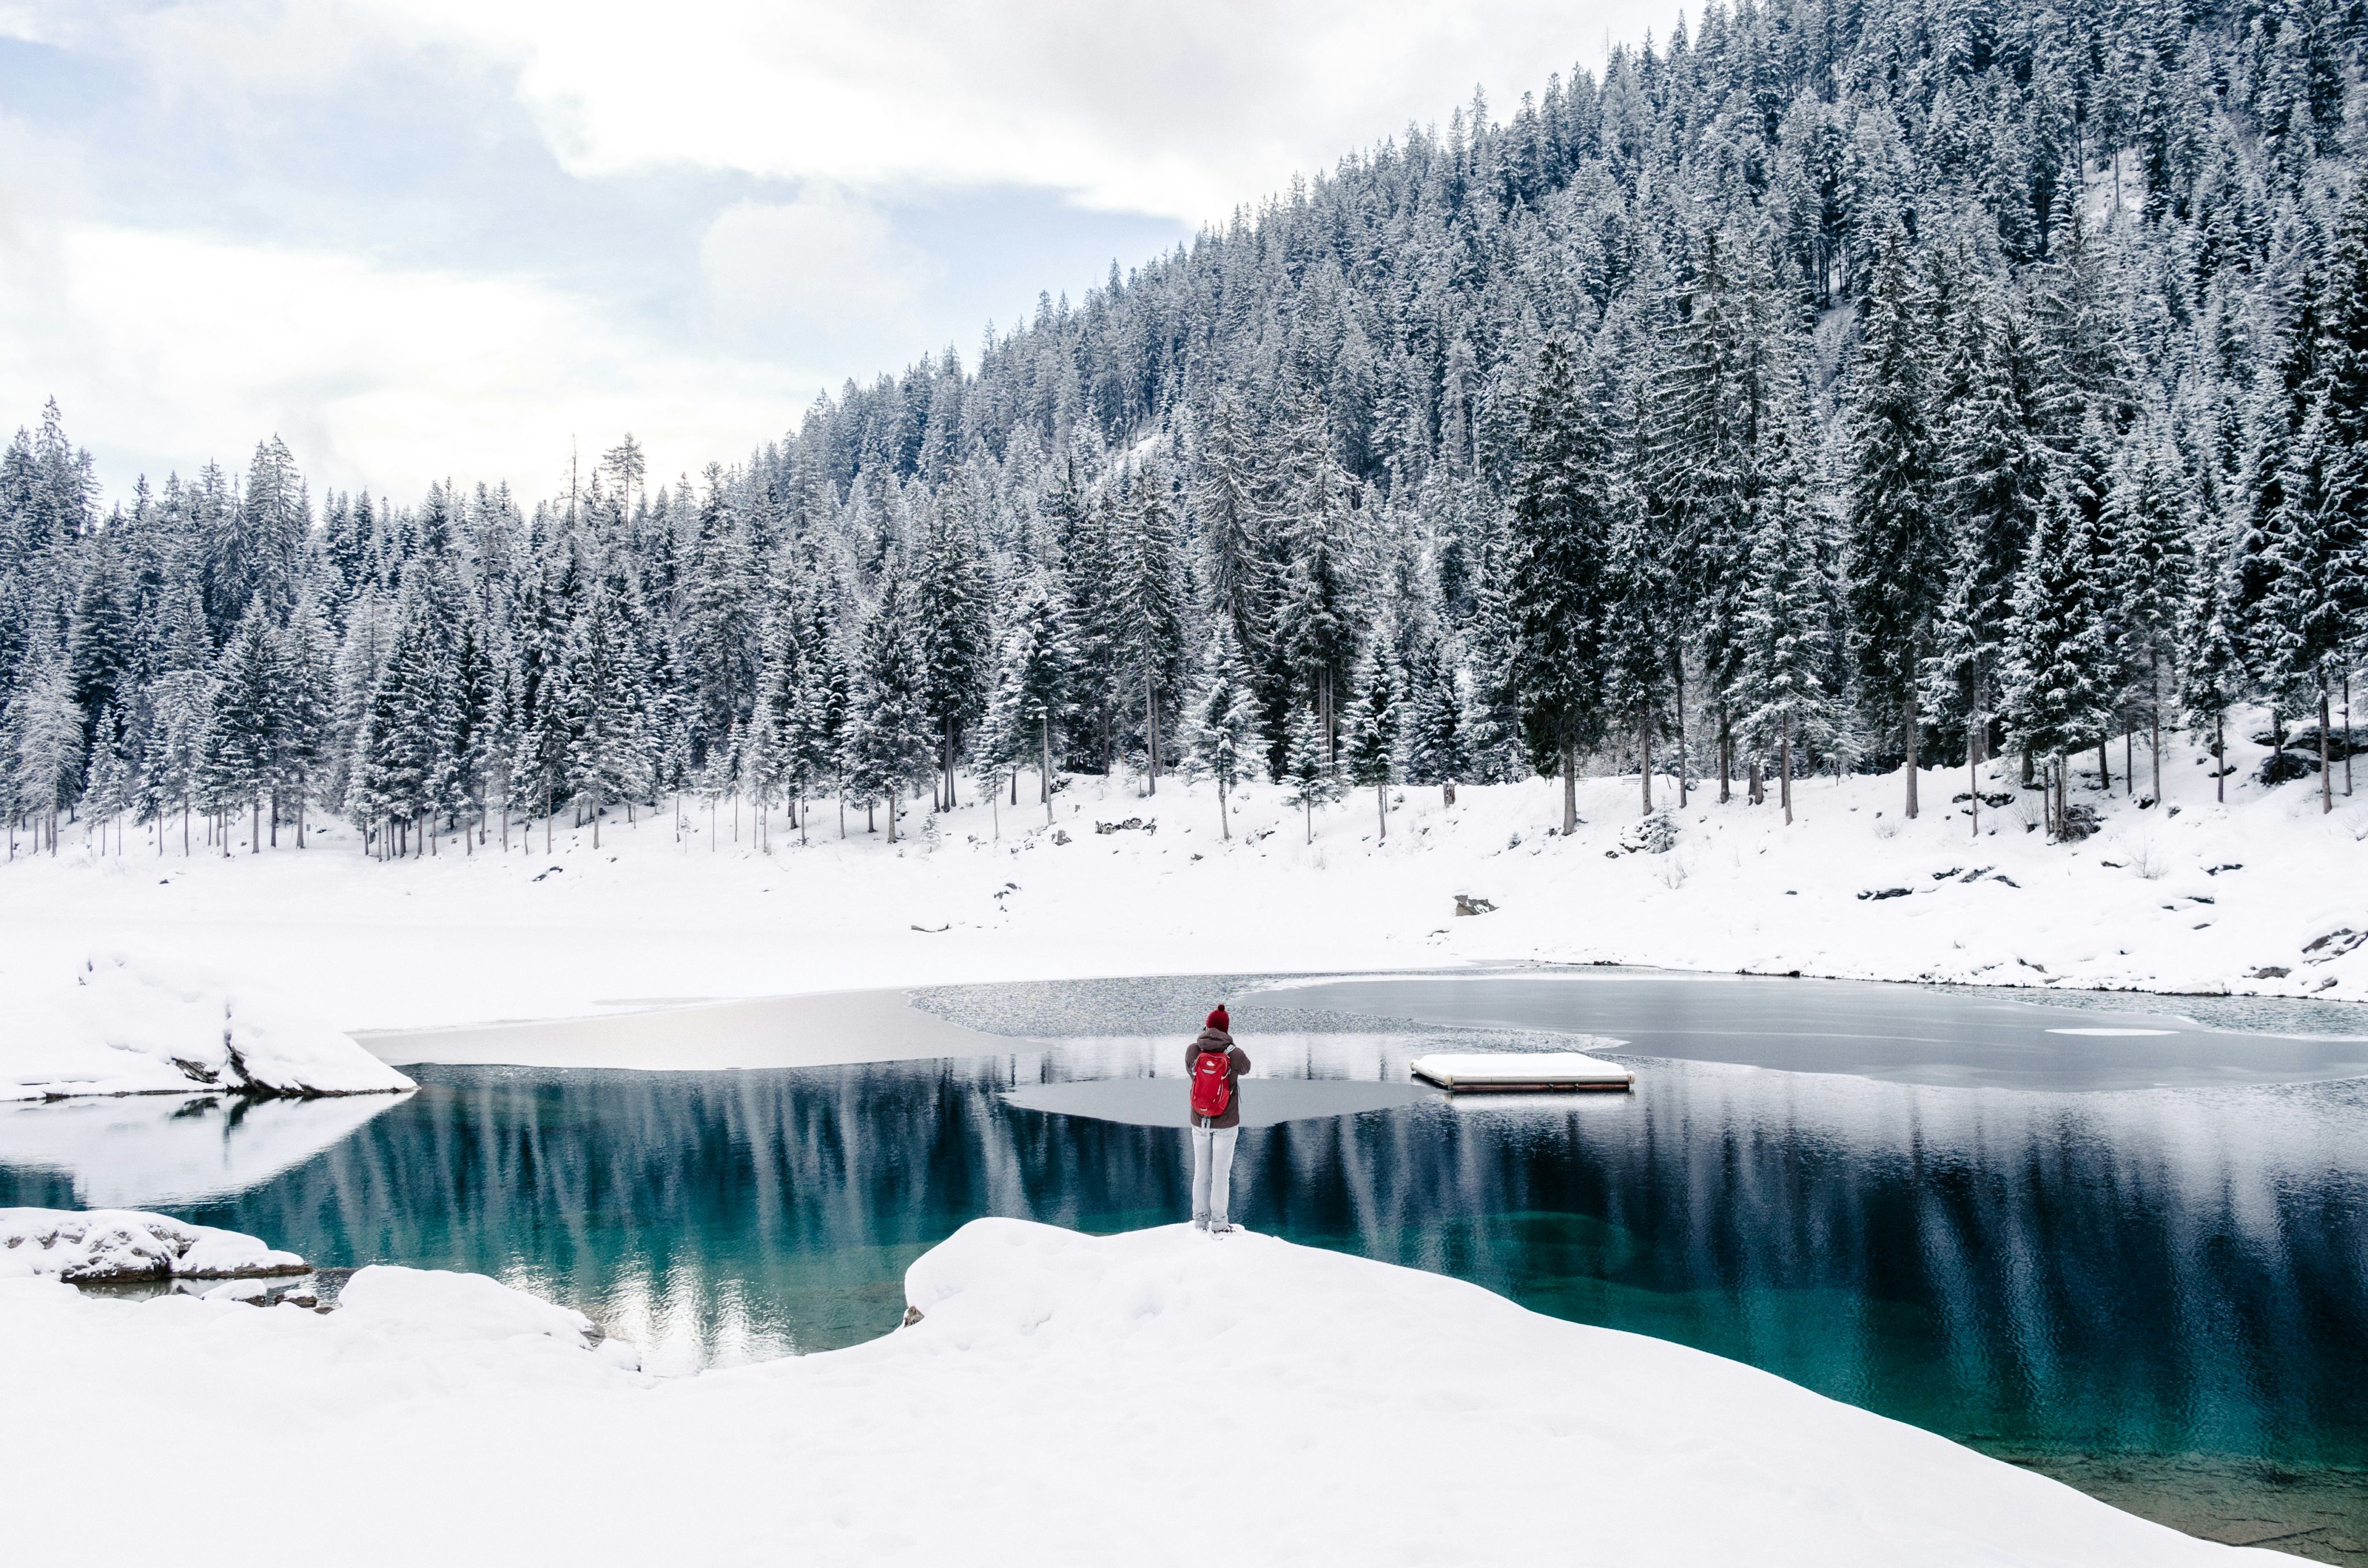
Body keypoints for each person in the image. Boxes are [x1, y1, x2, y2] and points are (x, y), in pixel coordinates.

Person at [1186, 1005, 1250, 1233]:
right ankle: (1220, 1224)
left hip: (1199, 1120)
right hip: (1226, 1123)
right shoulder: (1234, 1054)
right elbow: (1246, 1068)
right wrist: (1230, 1048)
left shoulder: (1194, 1050)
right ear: (1226, 1029)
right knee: (1221, 1175)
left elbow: (1191, 1073)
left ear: (1207, 1025)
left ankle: (1200, 1221)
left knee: (1201, 1171)